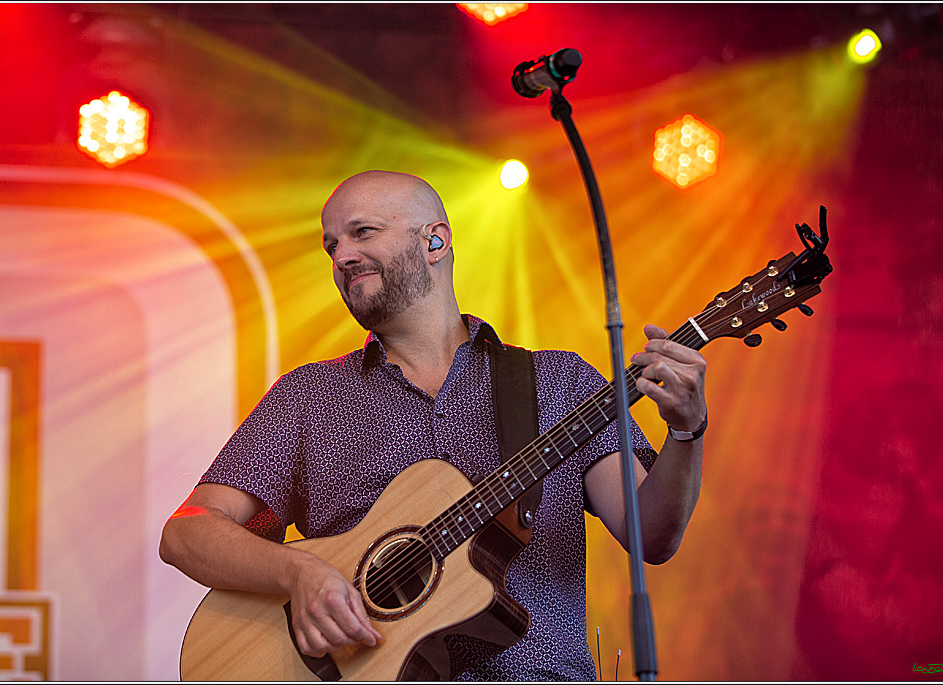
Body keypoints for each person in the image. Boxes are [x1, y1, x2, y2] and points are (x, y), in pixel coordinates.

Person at [159, 170, 707, 680]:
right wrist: (298, 573)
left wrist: (686, 430)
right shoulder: (309, 396)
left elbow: (652, 536)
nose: (343, 255)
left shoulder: (559, 379)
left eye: (362, 232)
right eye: (331, 246)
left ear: (435, 241)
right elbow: (186, 532)